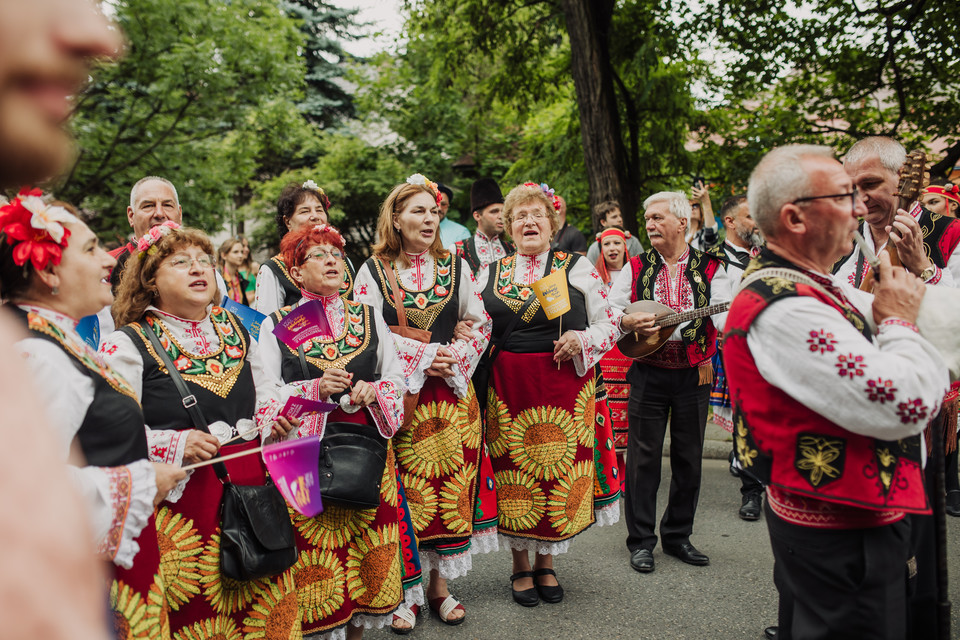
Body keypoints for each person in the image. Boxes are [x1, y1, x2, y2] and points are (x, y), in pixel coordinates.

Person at [726, 143, 948, 639]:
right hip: (842, 537)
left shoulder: (813, 283)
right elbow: (907, 403)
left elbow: (936, 320)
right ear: (796, 219)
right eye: (845, 195)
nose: (859, 208)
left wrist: (914, 291)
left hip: (850, 520)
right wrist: (898, 325)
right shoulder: (786, 307)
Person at [0, 192, 186, 638]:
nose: (108, 258)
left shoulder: (51, 338)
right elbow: (21, 496)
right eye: (89, 249)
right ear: (47, 272)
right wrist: (140, 483)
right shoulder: (36, 355)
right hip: (86, 576)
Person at [102, 224, 300, 638]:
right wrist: (174, 443)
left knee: (265, 609)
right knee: (198, 614)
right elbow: (110, 434)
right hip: (181, 505)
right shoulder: (126, 344)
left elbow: (265, 391)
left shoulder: (234, 327)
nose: (198, 269)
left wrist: (273, 418)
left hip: (252, 494)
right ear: (150, 280)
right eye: (179, 262)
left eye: (204, 261)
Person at [354, 173, 493, 629]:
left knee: (448, 490)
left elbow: (480, 321)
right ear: (395, 218)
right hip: (402, 399)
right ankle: (403, 593)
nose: (429, 218)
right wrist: (425, 354)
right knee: (407, 494)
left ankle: (438, 586)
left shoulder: (457, 265)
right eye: (418, 210)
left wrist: (455, 355)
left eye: (434, 211)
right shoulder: (371, 271)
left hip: (453, 398)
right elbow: (366, 335)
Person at [258, 223, 409, 640]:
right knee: (314, 558)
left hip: (365, 447)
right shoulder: (279, 323)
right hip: (304, 453)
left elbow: (397, 377)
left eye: (336, 254)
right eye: (317, 255)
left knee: (363, 552)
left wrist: (373, 389)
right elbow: (264, 392)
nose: (331, 261)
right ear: (296, 273)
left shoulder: (368, 316)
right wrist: (313, 388)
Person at [476, 182, 621, 607]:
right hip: (508, 389)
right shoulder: (487, 272)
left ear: (553, 222)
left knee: (554, 471)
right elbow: (475, 326)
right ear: (508, 226)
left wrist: (580, 338)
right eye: (519, 216)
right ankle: (520, 565)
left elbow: (610, 321)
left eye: (537, 214)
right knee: (513, 472)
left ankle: (546, 561)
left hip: (563, 385)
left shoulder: (576, 266)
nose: (528, 222)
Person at [610, 191, 732, 574]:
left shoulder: (713, 267)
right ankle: (641, 542)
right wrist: (627, 321)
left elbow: (727, 316)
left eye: (658, 217)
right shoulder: (635, 266)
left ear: (683, 222)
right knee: (643, 459)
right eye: (647, 219)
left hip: (694, 371)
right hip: (647, 369)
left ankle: (678, 536)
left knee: (688, 458)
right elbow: (611, 309)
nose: (649, 225)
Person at [97, 175, 227, 339]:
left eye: (167, 205)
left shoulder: (204, 268)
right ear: (131, 215)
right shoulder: (106, 268)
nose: (159, 213)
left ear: (179, 214)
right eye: (148, 206)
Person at [709, 195, 766, 520]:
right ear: (730, 222)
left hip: (773, 348)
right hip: (738, 349)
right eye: (749, 215)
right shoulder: (714, 260)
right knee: (746, 421)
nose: (756, 221)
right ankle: (752, 491)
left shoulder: (770, 255)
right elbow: (719, 314)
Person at [254, 180, 354, 314]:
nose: (315, 216)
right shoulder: (273, 269)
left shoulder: (342, 261)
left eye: (319, 210)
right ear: (287, 222)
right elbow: (266, 324)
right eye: (305, 211)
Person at [593, 226, 633, 472]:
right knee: (608, 405)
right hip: (605, 352)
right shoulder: (594, 277)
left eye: (617, 244)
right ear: (601, 249)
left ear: (624, 247)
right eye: (607, 245)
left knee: (627, 405)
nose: (612, 249)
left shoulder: (634, 275)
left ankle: (627, 467)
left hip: (628, 350)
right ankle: (611, 466)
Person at [454, 177, 515, 274]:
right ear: (477, 216)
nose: (501, 216)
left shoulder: (512, 249)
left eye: (503, 211)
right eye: (494, 212)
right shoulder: (457, 250)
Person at [687, 180, 720, 251]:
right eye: (687, 206)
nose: (692, 208)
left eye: (695, 205)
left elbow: (711, 236)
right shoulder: (677, 235)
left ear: (701, 212)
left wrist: (705, 201)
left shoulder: (703, 235)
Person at [436, 182, 471, 249]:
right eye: (436, 203)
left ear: (448, 206)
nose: (439, 208)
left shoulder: (461, 233)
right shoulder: (416, 229)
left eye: (443, 204)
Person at [218, 236, 250, 304]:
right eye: (235, 252)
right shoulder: (218, 277)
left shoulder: (240, 277)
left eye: (242, 252)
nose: (240, 255)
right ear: (224, 255)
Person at [238, 234, 260, 303]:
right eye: (243, 246)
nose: (247, 249)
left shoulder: (254, 266)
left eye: (247, 246)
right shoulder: (229, 271)